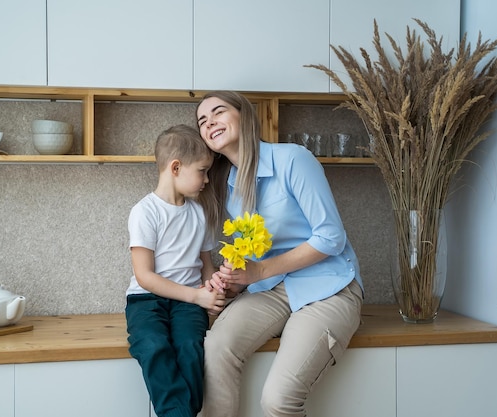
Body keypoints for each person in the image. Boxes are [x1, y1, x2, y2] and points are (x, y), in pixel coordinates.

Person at [195, 91, 364, 417]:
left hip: (329, 288)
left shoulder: (293, 159)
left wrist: (259, 272)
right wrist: (233, 281)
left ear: (243, 116)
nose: (209, 122)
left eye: (218, 112)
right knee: (215, 347)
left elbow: (331, 237)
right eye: (202, 121)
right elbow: (252, 253)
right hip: (272, 289)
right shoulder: (230, 186)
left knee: (278, 400)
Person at [125, 124, 226, 417]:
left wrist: (213, 290)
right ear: (176, 167)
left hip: (189, 303)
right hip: (145, 300)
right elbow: (145, 276)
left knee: (190, 348)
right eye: (203, 171)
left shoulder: (200, 213)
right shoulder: (145, 212)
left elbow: (206, 265)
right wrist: (197, 297)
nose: (207, 179)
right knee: (153, 345)